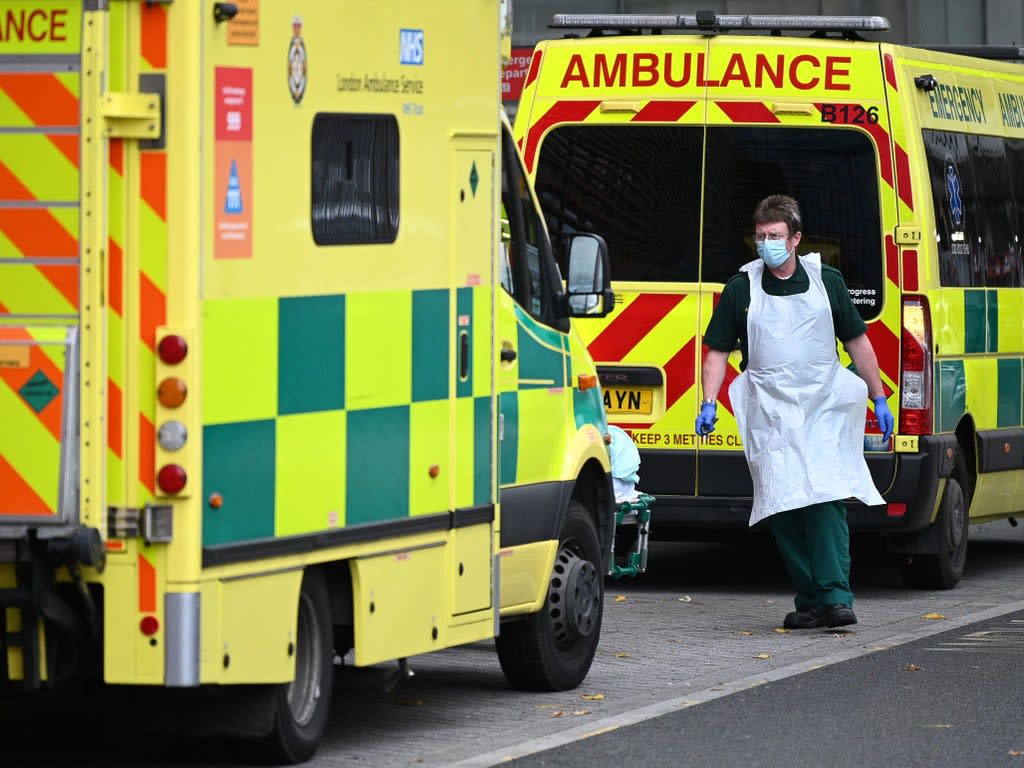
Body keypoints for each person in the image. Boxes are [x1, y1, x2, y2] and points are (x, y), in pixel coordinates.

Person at [695, 194, 894, 629]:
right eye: (761, 237)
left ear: (796, 239)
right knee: (782, 503)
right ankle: (810, 601)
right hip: (770, 410)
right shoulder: (741, 289)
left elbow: (857, 340)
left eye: (775, 237)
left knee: (824, 496)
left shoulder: (828, 283)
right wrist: (708, 402)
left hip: (823, 403)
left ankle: (836, 596)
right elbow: (717, 351)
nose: (766, 244)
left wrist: (878, 396)